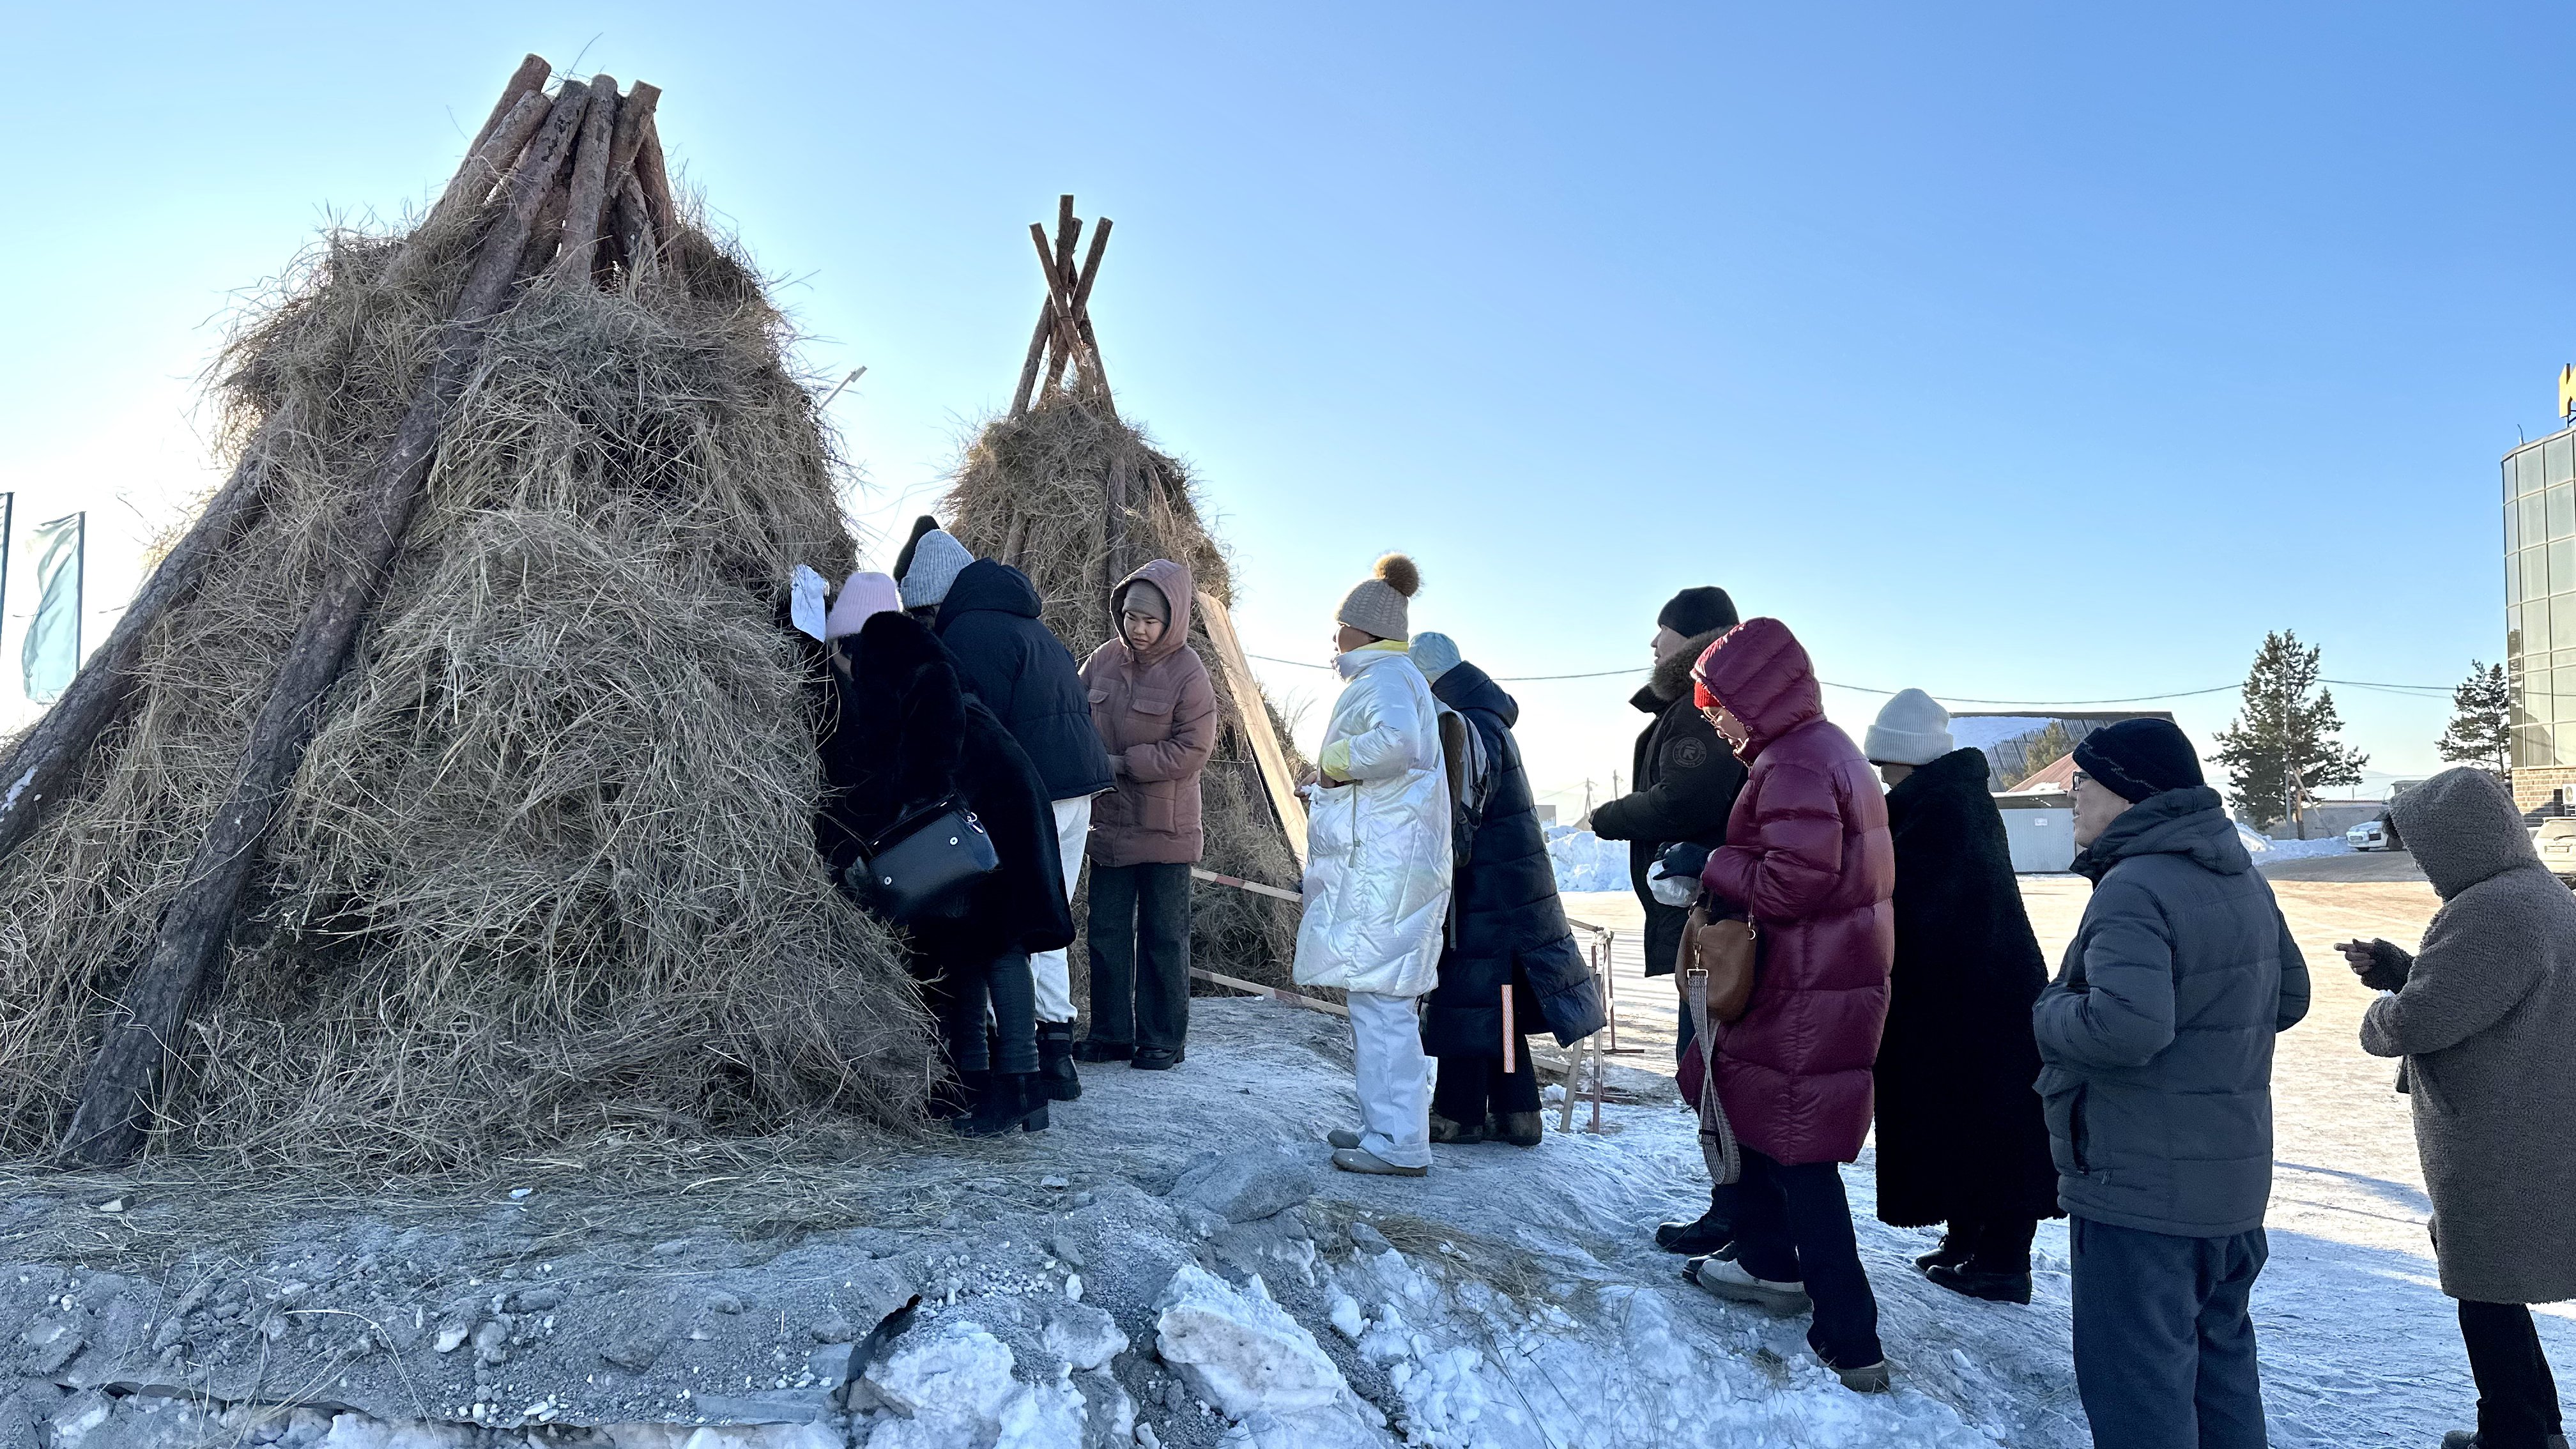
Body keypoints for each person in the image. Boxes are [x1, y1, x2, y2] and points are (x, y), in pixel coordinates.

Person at [2034, 718, 2309, 1449]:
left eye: (2081, 782)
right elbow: (2290, 997)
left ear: (2128, 792)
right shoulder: (2240, 876)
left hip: (2140, 1195)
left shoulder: (2134, 886)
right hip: (2231, 1189)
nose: (2071, 797)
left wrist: (2048, 1010)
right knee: (2221, 1384)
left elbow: (2127, 1028)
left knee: (2140, 1400)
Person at [1676, 618, 1895, 1395]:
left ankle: (1851, 1337)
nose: (1713, 717)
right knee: (1770, 1128)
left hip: (1806, 985)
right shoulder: (1818, 750)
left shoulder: (1795, 763)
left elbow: (1793, 882)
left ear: (1759, 694)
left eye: (1717, 702)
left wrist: (1713, 862)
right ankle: (1771, 1266)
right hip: (1823, 978)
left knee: (1802, 1157)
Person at [2340, 767, 2575, 1449]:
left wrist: (2382, 1012)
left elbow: (2422, 1021)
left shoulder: (2490, 909)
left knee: (2485, 1283)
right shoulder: (2540, 895)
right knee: (2495, 1286)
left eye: (2424, 849)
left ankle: (2516, 1434)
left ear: (2458, 840)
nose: (2421, 864)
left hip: (2497, 1135)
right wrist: (2399, 966)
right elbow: (2487, 989)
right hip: (2535, 1121)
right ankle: (2529, 1426)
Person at [816, 603, 1073, 1137]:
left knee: (999, 946)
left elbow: (918, 754)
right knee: (966, 947)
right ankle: (974, 1079)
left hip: (989, 814)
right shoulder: (925, 658)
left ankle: (1021, 1082)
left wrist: (891, 817)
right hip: (992, 806)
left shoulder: (898, 658)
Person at [897, 518, 1114, 1105]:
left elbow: (972, 728)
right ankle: (1058, 1054)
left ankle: (1006, 1057)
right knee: (1050, 918)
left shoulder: (971, 635)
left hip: (1031, 793)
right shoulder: (1032, 627)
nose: (925, 625)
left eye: (923, 613)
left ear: (939, 599)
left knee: (1012, 925)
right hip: (1079, 788)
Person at [1862, 689, 2060, 1304]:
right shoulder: (1946, 799)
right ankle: (1967, 1237)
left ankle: (2002, 1261)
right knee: (1961, 1117)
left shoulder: (1941, 807)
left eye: (1884, 762)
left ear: (1904, 758)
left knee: (1993, 1125)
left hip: (1979, 997)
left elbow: (1925, 905)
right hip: (1969, 992)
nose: (1880, 774)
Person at [1587, 586, 1746, 1252]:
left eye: (1663, 634)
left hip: (1713, 919)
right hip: (1711, 911)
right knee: (1711, 1067)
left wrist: (1611, 816)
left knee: (1711, 1068)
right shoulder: (1696, 707)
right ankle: (1738, 1209)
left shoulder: (1698, 711)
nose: (1653, 645)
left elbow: (1686, 798)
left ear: (1693, 639)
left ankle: (1739, 1213)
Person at [1409, 632, 1606, 1147]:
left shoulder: (1462, 724)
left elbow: (1457, 819)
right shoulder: (1487, 718)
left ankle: (1458, 1114)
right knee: (1502, 1005)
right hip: (1511, 888)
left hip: (1482, 890)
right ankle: (1520, 1112)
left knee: (1469, 1000)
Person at [1293, 554, 1451, 1177]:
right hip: (1391, 866)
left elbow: (1396, 745)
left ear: (1362, 630)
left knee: (1382, 1007)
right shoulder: (1397, 677)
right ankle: (1383, 1125)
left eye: (1340, 627)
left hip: (1386, 873)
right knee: (1379, 1004)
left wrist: (1333, 761)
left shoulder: (1384, 677)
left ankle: (1399, 1140)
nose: (1333, 639)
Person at [1077, 560, 1220, 1070]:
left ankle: (1163, 1039)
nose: (1138, 628)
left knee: (1164, 937)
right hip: (1110, 826)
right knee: (1107, 933)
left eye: (1150, 620)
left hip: (1166, 829)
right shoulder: (1101, 661)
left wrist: (1122, 764)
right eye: (1131, 616)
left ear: (1173, 620)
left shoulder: (1190, 673)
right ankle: (1111, 1034)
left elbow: (1193, 749)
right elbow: (1075, 714)